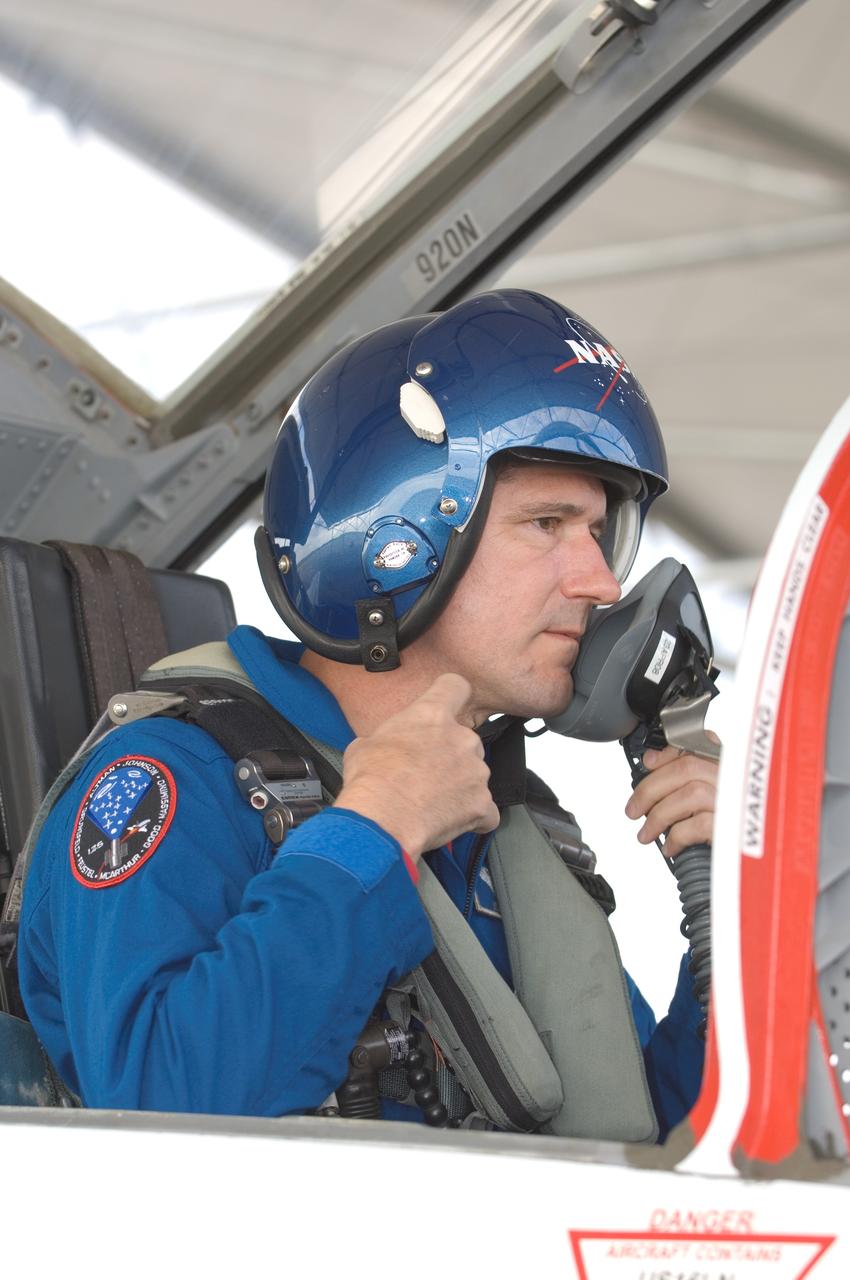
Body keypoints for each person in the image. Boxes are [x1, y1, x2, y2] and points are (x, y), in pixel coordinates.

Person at [18, 290, 717, 1137]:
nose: (601, 583)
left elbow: (658, 1141)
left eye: (600, 534)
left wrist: (749, 906)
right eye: (545, 524)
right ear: (398, 532)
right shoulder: (172, 783)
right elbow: (160, 1108)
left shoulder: (504, 825)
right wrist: (372, 834)